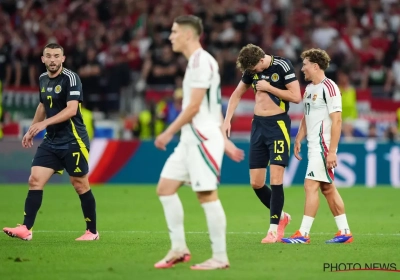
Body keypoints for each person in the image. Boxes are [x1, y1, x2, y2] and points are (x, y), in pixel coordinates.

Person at [153, 15, 244, 270]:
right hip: (191, 140)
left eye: (174, 32)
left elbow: (194, 106)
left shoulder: (202, 62)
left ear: (189, 35)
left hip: (202, 139)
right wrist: (224, 141)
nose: (170, 36)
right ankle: (179, 248)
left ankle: (220, 256)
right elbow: (211, 106)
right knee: (165, 188)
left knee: (206, 195)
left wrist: (167, 132)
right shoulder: (195, 62)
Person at [3, 43, 98, 241]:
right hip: (52, 140)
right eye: (49, 56)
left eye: (57, 56)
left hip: (74, 140)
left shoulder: (71, 78)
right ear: (43, 59)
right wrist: (32, 129)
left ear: (63, 59)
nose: (53, 59)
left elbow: (72, 110)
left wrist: (44, 124)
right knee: (34, 180)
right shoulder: (43, 78)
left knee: (80, 184)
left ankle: (92, 232)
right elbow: (42, 104)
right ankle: (26, 229)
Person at [223, 44, 301, 243]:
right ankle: (282, 217)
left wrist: (269, 88)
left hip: (278, 126)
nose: (254, 73)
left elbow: (296, 97)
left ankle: (273, 230)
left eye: (255, 69)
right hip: (257, 126)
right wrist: (227, 120)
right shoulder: (252, 69)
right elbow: (237, 94)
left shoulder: (282, 65)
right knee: (256, 182)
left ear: (261, 60)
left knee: (276, 178)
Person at [281, 48, 353, 244]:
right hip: (314, 145)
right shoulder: (310, 89)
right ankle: (344, 232)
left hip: (324, 145)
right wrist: (298, 138)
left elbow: (337, 121)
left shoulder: (329, 87)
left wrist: (332, 152)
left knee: (310, 185)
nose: (302, 68)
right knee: (328, 188)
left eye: (304, 65)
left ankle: (303, 234)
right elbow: (306, 116)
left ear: (315, 66)